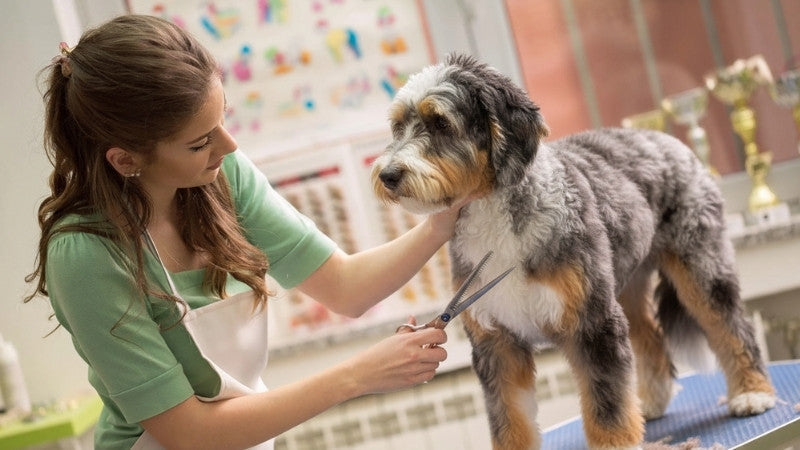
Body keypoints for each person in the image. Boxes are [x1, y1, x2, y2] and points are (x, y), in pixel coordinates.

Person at [26, 14, 465, 450]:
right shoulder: (86, 254)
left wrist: (440, 224)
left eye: (222, 119)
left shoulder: (219, 176)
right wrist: (358, 375)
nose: (229, 145)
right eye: (199, 142)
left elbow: (346, 286)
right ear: (125, 160)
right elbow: (190, 432)